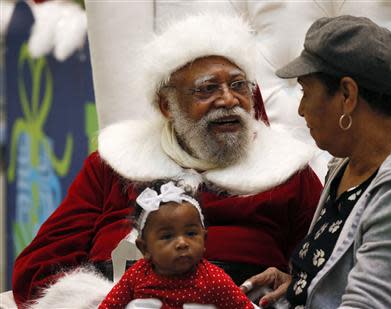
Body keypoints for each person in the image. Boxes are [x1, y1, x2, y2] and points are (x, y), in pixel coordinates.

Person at [12, 13, 323, 307]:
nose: (229, 100)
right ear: (166, 105)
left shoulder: (288, 172)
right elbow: (38, 268)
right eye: (208, 88)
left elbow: (328, 267)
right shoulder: (112, 166)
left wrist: (294, 283)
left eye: (239, 85)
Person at [240, 15, 391, 308]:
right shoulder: (347, 166)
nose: (300, 110)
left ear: (347, 95)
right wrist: (302, 284)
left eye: (305, 91)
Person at [99, 181, 254, 309]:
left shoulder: (214, 279)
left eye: (191, 234)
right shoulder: (137, 275)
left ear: (204, 239)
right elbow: (109, 306)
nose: (182, 243)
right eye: (167, 236)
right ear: (145, 248)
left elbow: (244, 307)